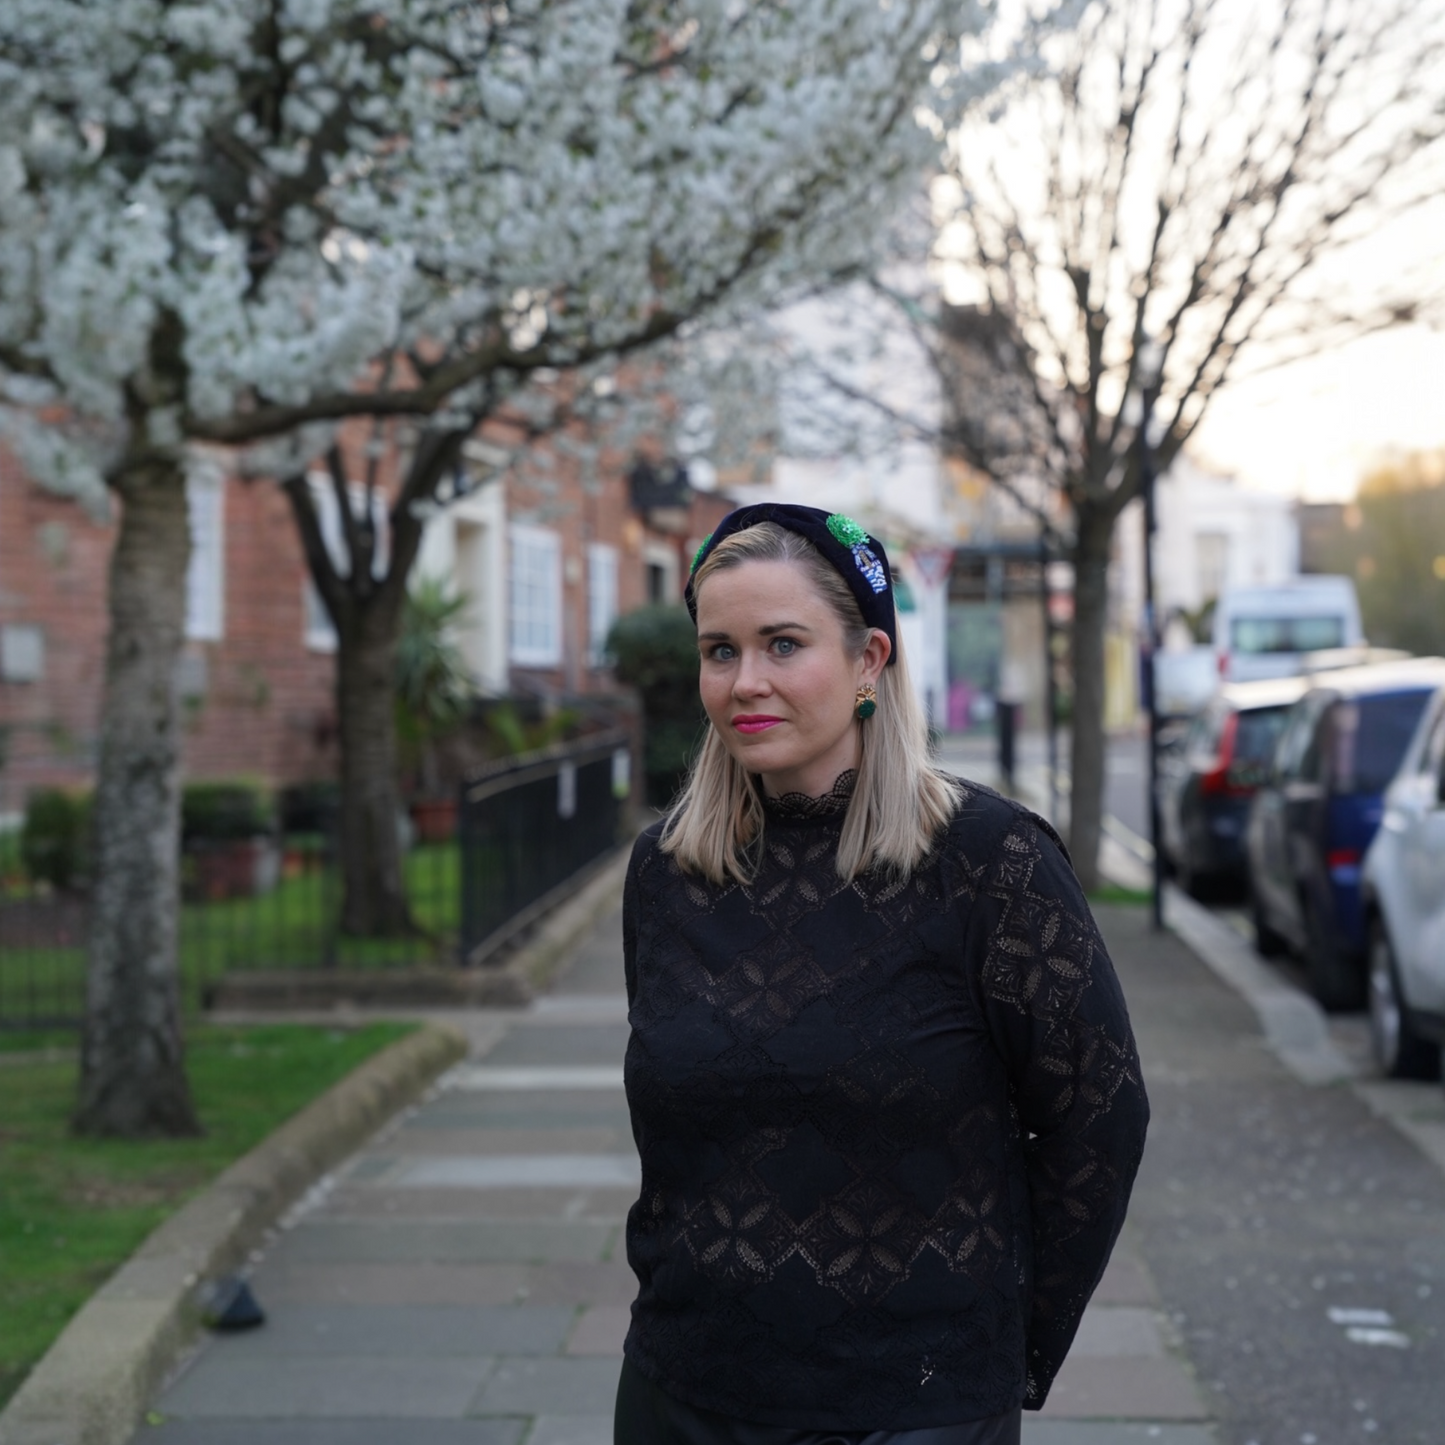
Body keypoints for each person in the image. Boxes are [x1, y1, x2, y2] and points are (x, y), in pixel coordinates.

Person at [616, 504, 1150, 1445]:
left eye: (784, 644)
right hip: (684, 1393)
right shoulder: (667, 874)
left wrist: (1004, 1346)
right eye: (719, 650)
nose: (746, 682)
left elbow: (1098, 1119)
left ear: (869, 659)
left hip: (912, 1409)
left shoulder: (989, 862)